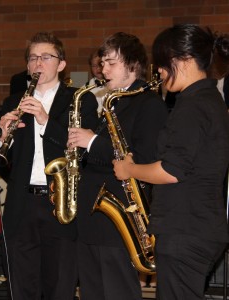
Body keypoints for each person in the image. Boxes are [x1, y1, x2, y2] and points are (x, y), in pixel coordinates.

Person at [113, 24, 229, 300]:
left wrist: (129, 169)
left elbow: (170, 170)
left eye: (163, 63)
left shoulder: (193, 106)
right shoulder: (209, 100)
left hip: (186, 230)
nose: (159, 71)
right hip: (196, 228)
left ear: (185, 61)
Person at [0, 32, 98, 300]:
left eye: (45, 57)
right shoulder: (13, 101)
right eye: (32, 58)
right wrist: (2, 137)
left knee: (60, 285)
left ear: (61, 64)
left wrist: (44, 119)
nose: (37, 63)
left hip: (60, 203)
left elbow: (81, 150)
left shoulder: (80, 99)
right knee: (21, 283)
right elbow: (5, 159)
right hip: (22, 203)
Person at [67, 32, 168, 300]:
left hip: (120, 218)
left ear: (133, 65)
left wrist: (92, 142)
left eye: (111, 63)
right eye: (102, 63)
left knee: (117, 292)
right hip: (92, 219)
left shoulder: (150, 104)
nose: (103, 69)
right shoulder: (113, 102)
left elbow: (142, 158)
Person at [86, 50, 108, 117]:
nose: (98, 68)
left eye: (100, 65)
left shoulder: (117, 86)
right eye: (94, 66)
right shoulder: (84, 89)